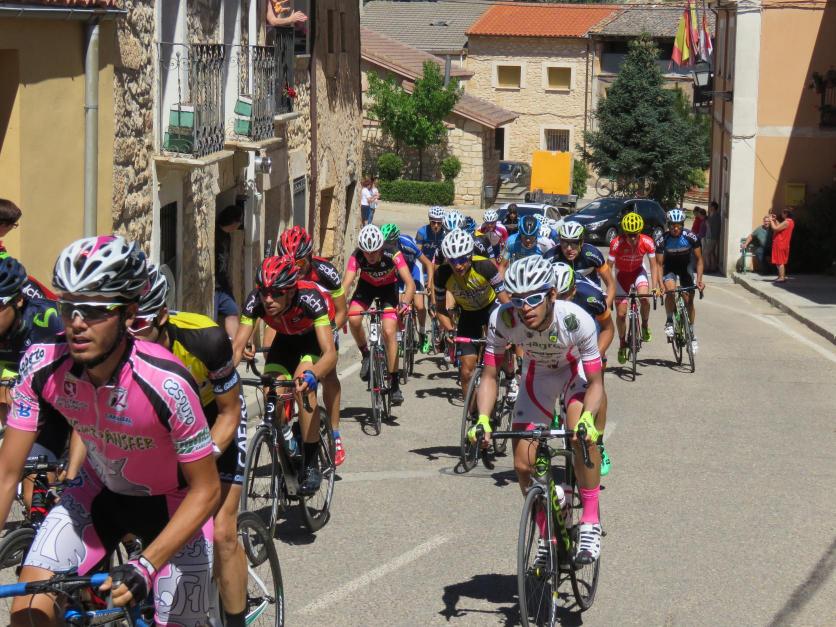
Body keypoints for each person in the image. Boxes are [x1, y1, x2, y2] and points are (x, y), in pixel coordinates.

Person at [0, 235, 219, 625]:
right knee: (28, 613)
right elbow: (6, 473)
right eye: (69, 307)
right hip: (97, 492)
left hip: (175, 505)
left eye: (94, 310)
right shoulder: (41, 365)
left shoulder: (168, 383)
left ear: (129, 314)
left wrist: (146, 565)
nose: (77, 323)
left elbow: (207, 489)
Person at [130, 264, 249, 627]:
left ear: (162, 316)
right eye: (125, 325)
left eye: (140, 325)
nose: (132, 336)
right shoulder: (121, 350)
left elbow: (230, 412)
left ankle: (236, 621)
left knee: (223, 531)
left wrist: (202, 459)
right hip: (168, 425)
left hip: (216, 417)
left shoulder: (204, 339)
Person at [472, 256, 605, 564]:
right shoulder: (504, 319)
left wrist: (588, 418)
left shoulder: (576, 320)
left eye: (533, 299)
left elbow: (596, 382)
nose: (525, 308)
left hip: (574, 373)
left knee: (579, 436)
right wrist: (483, 420)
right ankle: (549, 536)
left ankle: (590, 520)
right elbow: (490, 375)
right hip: (538, 377)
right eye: (518, 300)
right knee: (522, 465)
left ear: (552, 295)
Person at [233, 255, 337, 493]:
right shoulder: (256, 301)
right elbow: (237, 347)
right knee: (271, 393)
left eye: (276, 293)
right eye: (264, 292)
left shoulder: (309, 297)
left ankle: (311, 465)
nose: (268, 299)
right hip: (285, 343)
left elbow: (330, 354)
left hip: (313, 342)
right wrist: (223, 376)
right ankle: (288, 442)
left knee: (303, 387)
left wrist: (313, 375)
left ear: (290, 292)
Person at [277, 226, 348, 465]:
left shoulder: (326, 272)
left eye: (299, 262)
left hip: (324, 325)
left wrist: (330, 333)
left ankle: (335, 433)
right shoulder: (280, 273)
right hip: (293, 329)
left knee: (328, 375)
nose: (295, 268)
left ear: (309, 256)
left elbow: (342, 311)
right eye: (289, 262)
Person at [433, 229, 510, 405]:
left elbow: (505, 302)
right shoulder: (442, 274)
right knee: (466, 372)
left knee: (502, 343)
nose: (458, 265)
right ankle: (473, 413)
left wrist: (509, 329)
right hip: (468, 314)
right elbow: (440, 309)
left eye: (462, 260)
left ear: (470, 256)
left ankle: (511, 376)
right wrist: (450, 330)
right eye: (453, 261)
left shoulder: (485, 266)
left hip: (491, 308)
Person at [553, 262, 614, 476]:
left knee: (596, 383)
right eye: (555, 296)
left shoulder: (591, 296)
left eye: (564, 296)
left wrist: (596, 354)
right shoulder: (543, 299)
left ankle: (599, 442)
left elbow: (608, 328)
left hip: (589, 341)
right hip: (560, 342)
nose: (559, 301)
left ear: (573, 290)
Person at [343, 225, 415, 406]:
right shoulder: (357, 255)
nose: (370, 256)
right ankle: (366, 354)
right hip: (366, 288)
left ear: (381, 247)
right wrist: (339, 307)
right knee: (353, 318)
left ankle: (394, 383)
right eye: (367, 252)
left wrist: (405, 303)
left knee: (389, 331)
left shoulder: (393, 253)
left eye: (374, 251)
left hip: (388, 291)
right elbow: (346, 284)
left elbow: (410, 283)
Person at [609, 212, 660, 365]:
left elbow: (654, 266)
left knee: (644, 298)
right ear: (624, 233)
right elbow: (608, 268)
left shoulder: (647, 241)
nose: (632, 238)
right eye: (629, 235)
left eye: (635, 235)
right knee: (621, 314)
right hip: (621, 276)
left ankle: (644, 325)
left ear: (640, 232)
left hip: (638, 272)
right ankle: (622, 344)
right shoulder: (616, 243)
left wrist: (655, 287)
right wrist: (609, 290)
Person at [655, 209, 704, 354]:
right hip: (669, 268)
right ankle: (670, 320)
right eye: (672, 225)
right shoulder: (662, 240)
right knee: (670, 291)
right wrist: (660, 285)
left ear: (682, 225)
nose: (675, 228)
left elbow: (699, 260)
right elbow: (658, 265)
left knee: (689, 301)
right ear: (668, 225)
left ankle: (692, 335)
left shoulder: (691, 237)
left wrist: (699, 280)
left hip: (685, 267)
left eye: (678, 225)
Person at [380, 223, 434, 354]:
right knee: (398, 307)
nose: (387, 246)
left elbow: (428, 263)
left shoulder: (407, 244)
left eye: (390, 243)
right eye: (385, 243)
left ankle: (422, 333)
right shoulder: (382, 249)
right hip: (399, 274)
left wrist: (429, 282)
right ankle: (400, 338)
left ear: (396, 240)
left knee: (419, 306)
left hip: (414, 270)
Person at [545, 222, 616, 308]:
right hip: (564, 299)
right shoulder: (550, 257)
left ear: (581, 242)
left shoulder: (592, 254)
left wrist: (604, 309)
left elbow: (611, 285)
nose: (569, 248)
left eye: (574, 243)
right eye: (564, 243)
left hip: (590, 297)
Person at [215, 203, 244, 339]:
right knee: (212, 319)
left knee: (232, 310)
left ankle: (235, 345)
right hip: (214, 287)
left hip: (223, 285)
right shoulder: (215, 234)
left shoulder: (227, 236)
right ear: (233, 222)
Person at [768, 206, 795, 282]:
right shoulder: (790, 221)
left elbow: (775, 228)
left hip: (780, 243)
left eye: (782, 213)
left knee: (779, 262)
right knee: (779, 261)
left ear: (786, 214)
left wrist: (771, 221)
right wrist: (775, 220)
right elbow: (780, 227)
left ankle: (782, 277)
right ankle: (780, 276)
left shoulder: (787, 222)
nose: (781, 214)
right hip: (783, 243)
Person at [704, 201, 721, 271]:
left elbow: (712, 226)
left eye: (710, 206)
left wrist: (707, 222)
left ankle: (708, 267)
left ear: (713, 207)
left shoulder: (716, 215)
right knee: (711, 253)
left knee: (706, 253)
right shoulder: (712, 214)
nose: (709, 207)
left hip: (712, 237)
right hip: (710, 236)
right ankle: (713, 267)